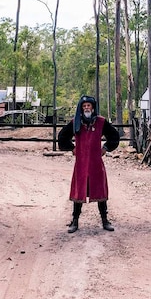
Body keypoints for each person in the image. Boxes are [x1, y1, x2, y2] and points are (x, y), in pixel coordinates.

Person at [57, 95, 120, 233]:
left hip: (96, 163)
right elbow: (62, 137)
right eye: (84, 106)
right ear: (81, 108)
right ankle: (75, 221)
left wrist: (105, 148)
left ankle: (105, 220)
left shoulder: (101, 122)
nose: (86, 108)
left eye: (89, 106)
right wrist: (72, 148)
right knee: (79, 191)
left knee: (100, 190)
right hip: (81, 164)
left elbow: (114, 136)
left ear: (93, 107)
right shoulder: (75, 122)